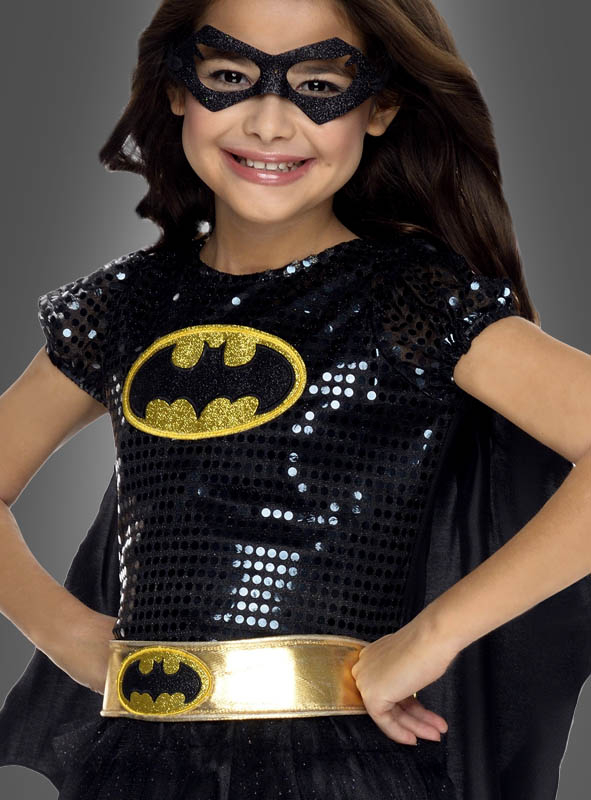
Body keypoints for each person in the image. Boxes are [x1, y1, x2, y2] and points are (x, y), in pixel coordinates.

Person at [0, 1, 590, 798]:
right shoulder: (127, 307)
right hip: (135, 764)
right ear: (176, 88)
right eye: (229, 76)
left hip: (337, 766)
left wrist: (434, 634)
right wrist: (66, 632)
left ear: (380, 107)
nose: (269, 122)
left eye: (318, 85)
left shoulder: (412, 301)